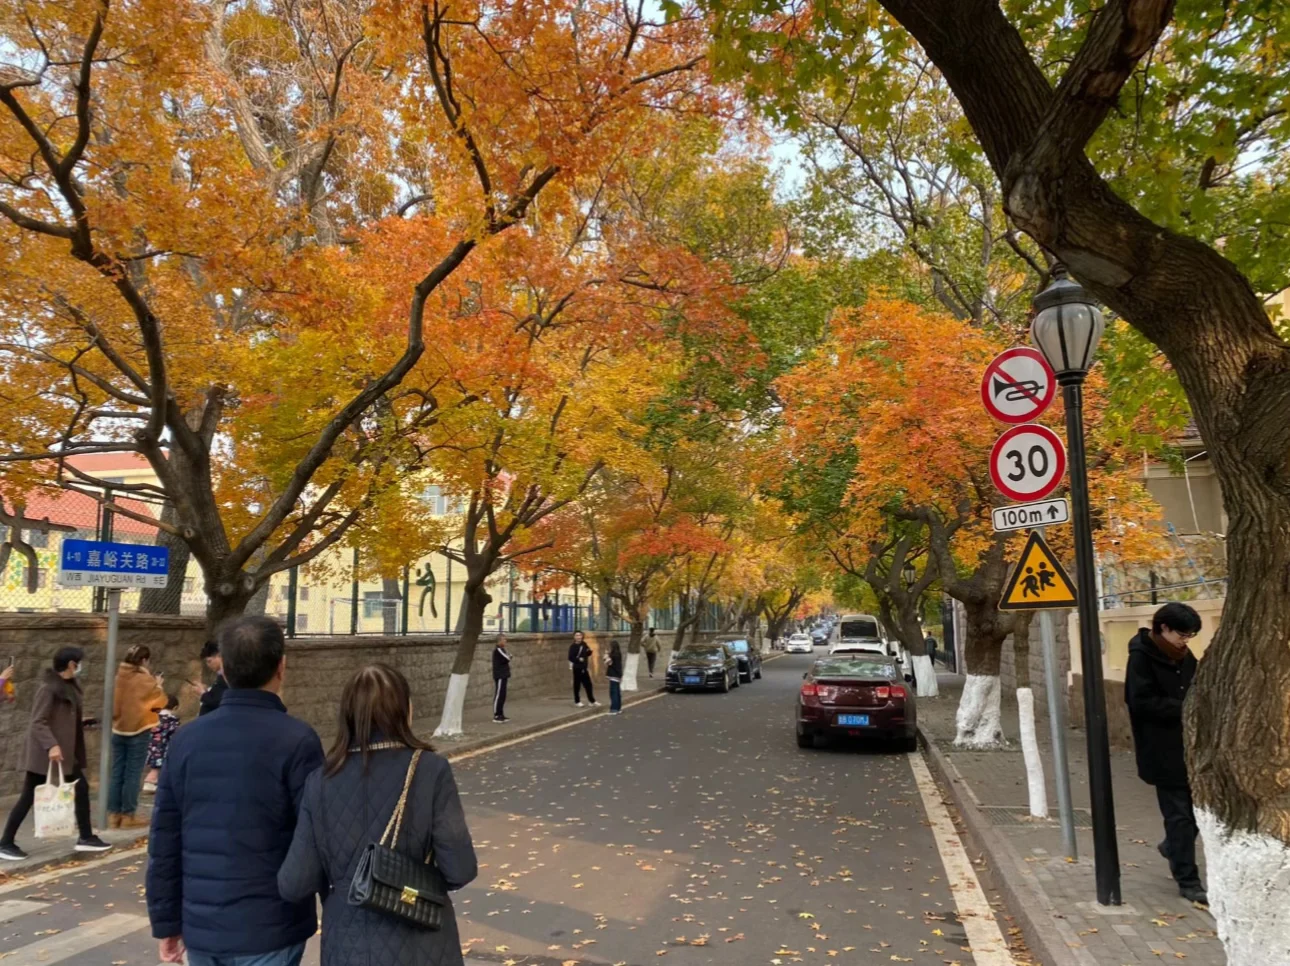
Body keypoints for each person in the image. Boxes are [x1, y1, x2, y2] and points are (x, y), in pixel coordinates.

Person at [147, 616, 324, 966]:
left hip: (202, 926)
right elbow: (316, 836)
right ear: (282, 667)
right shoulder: (298, 741)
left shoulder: (186, 740)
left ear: (223, 669)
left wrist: (167, 923)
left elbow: (165, 838)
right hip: (272, 924)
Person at [278, 664, 478, 966]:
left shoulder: (320, 781)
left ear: (347, 715)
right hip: (423, 943)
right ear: (405, 709)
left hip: (348, 947)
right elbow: (460, 870)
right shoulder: (430, 770)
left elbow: (295, 883)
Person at [1125, 602, 1207, 905]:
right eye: (1182, 635)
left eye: (1190, 636)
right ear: (1164, 628)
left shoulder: (1184, 656)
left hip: (1191, 749)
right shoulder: (1141, 657)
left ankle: (1172, 847)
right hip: (1162, 750)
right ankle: (1188, 881)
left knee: (1199, 814)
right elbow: (1139, 701)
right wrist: (1184, 708)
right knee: (1180, 817)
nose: (1186, 641)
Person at [0, 647, 112, 860]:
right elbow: (38, 721)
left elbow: (60, 718)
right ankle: (5, 842)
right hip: (46, 755)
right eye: (79, 663)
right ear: (71, 664)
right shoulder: (49, 688)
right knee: (28, 797)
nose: (81, 667)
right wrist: (51, 745)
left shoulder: (69, 686)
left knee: (81, 788)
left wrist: (80, 722)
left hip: (64, 755)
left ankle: (86, 837)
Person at [108, 645, 167, 829]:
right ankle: (128, 815)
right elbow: (160, 702)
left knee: (117, 772)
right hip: (138, 730)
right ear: (143, 660)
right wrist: (158, 684)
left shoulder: (119, 676)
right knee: (132, 774)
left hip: (118, 729)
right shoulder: (144, 679)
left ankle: (113, 815)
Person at [143, 692, 181, 794]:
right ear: (175, 707)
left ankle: (153, 783)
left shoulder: (152, 717)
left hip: (149, 746)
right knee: (156, 769)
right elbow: (174, 735)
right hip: (163, 748)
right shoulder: (172, 721)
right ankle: (150, 783)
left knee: (154, 766)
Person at [198, 639, 227, 716]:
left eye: (209, 661)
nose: (208, 665)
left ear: (219, 656)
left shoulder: (227, 677)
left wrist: (203, 693)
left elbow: (217, 701)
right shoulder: (220, 676)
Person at [568, 631, 597, 707]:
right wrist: (578, 659)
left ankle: (591, 701)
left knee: (588, 685)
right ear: (574, 637)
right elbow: (570, 657)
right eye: (577, 635)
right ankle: (577, 701)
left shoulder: (584, 644)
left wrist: (589, 652)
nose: (578, 637)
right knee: (577, 685)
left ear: (582, 636)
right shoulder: (573, 646)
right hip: (577, 668)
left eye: (580, 635)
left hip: (584, 668)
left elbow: (586, 653)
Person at [492, 635, 511, 723]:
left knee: (503, 695)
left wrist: (509, 656)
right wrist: (509, 656)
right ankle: (496, 715)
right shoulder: (498, 650)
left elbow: (505, 659)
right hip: (500, 675)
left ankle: (501, 714)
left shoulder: (502, 650)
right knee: (499, 695)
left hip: (504, 675)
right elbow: (507, 658)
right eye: (504, 639)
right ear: (499, 641)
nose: (505, 641)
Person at [606, 639, 624, 714]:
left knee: (613, 693)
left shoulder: (613, 656)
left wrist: (606, 655)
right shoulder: (618, 654)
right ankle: (618, 708)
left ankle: (614, 709)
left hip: (613, 675)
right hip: (617, 675)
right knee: (617, 692)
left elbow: (608, 662)